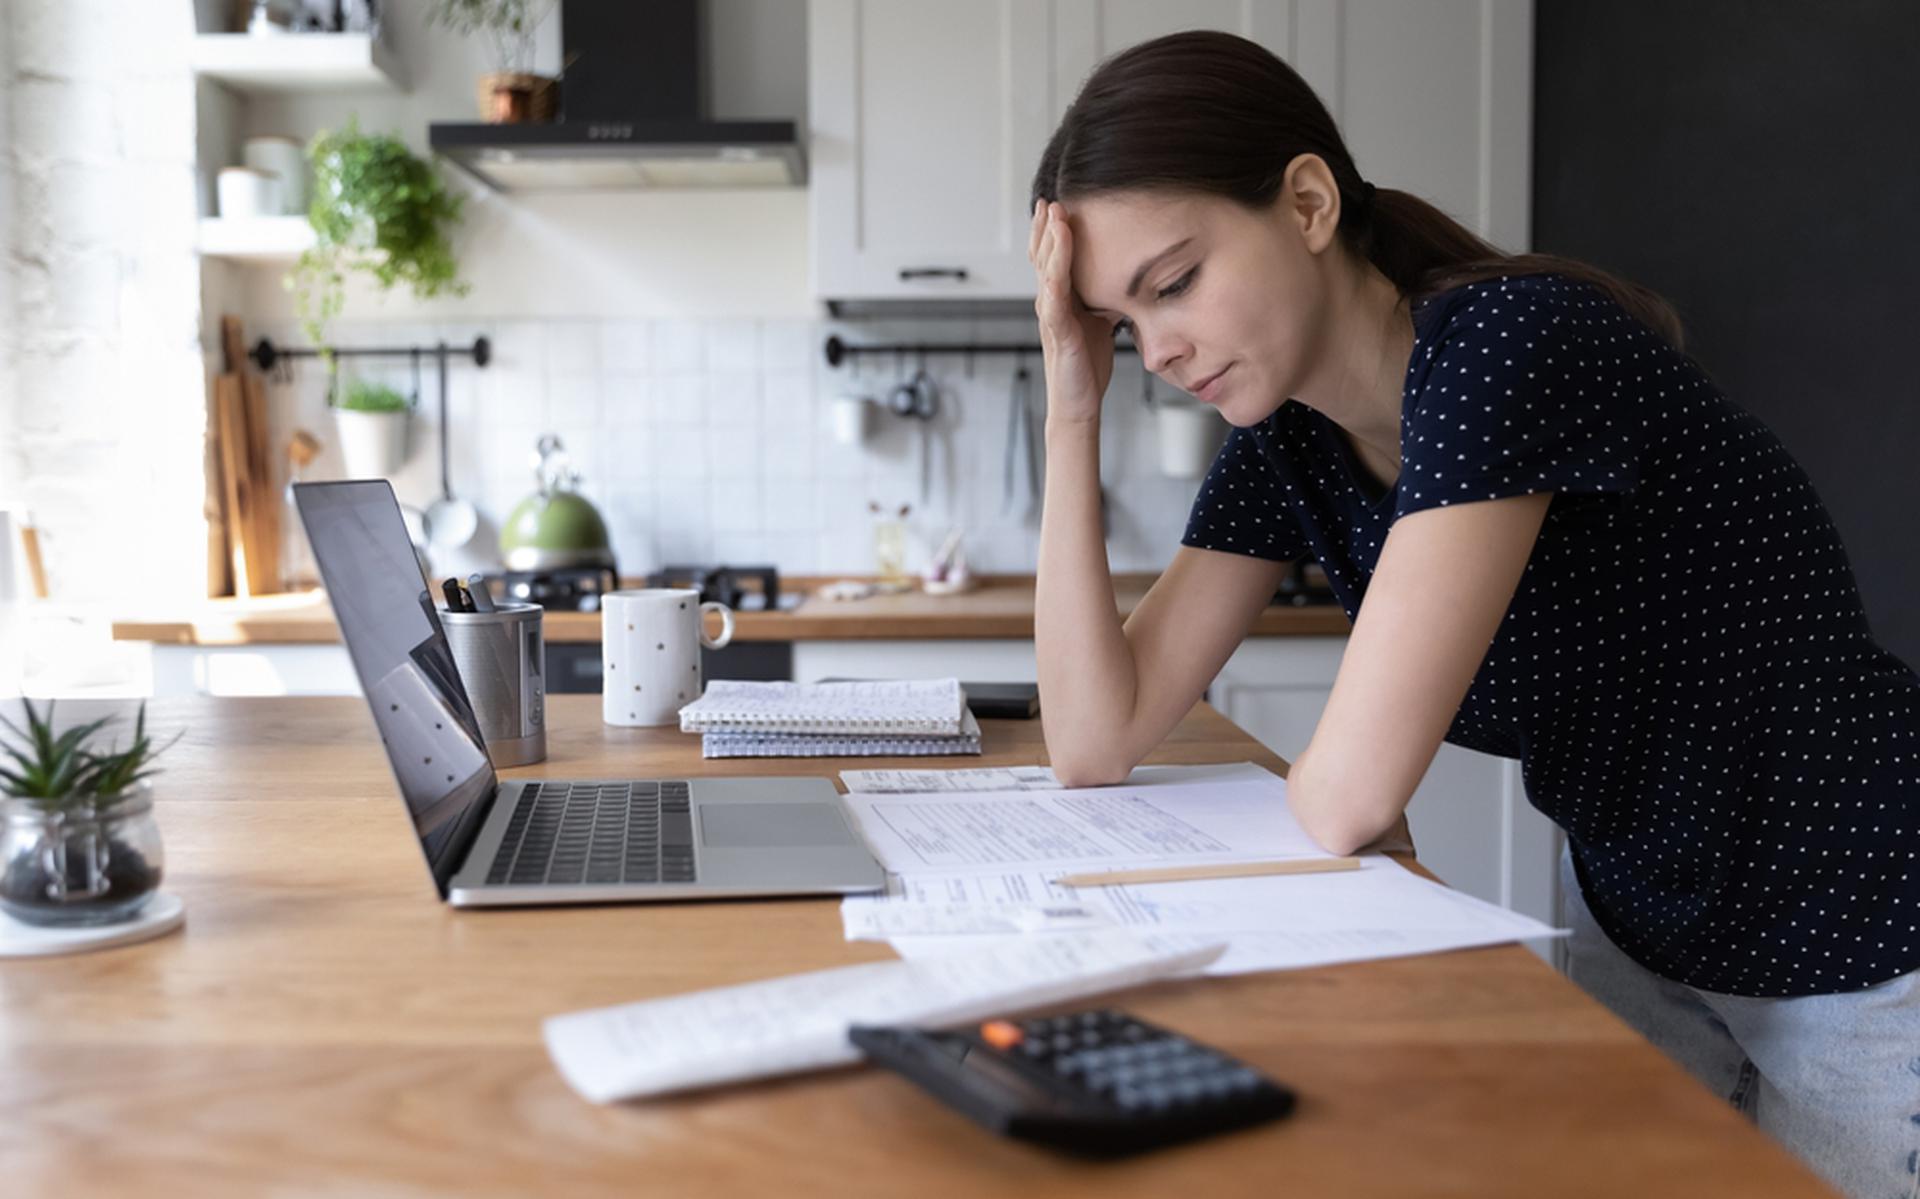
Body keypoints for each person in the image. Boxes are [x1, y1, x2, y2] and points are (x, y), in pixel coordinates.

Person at [1025, 29, 1920, 1199]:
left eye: (1174, 282)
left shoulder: (1509, 345)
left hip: (1858, 916)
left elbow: (1347, 796)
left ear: (1306, 202)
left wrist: (1343, 810)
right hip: (1640, 915)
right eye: (1121, 322)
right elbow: (1095, 740)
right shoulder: (1289, 433)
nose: (1160, 347)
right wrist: (1071, 404)